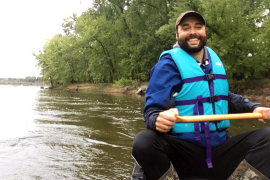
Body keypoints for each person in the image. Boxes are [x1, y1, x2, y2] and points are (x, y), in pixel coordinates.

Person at [132, 11, 270, 180]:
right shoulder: (167, 65)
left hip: (219, 149)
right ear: (177, 34)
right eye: (186, 28)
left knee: (268, 138)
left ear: (205, 32)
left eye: (198, 27)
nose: (193, 32)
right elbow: (151, 112)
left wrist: (255, 107)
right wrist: (157, 119)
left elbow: (224, 96)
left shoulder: (214, 61)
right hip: (182, 152)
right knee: (143, 142)